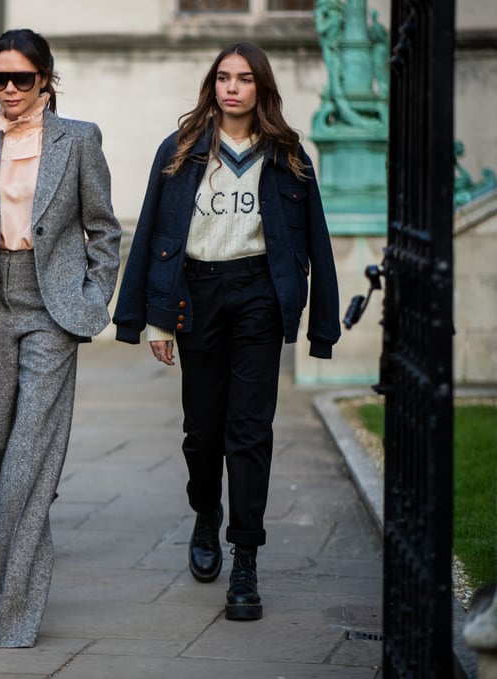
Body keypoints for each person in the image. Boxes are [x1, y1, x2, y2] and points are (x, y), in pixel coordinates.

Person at [112, 42, 340, 621]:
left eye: (243, 79)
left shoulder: (288, 154)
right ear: (211, 85)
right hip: (197, 296)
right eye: (222, 78)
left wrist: (322, 327)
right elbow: (153, 235)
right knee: (202, 431)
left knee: (250, 430)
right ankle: (206, 513)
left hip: (259, 296)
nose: (231, 87)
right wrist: (151, 318)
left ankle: (246, 559)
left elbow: (316, 239)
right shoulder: (183, 149)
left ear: (261, 86)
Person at [0, 28, 121, 648]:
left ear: (46, 80)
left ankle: (16, 614)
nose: (9, 90)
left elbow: (104, 229)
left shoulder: (80, 139)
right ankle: (3, 561)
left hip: (52, 308)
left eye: (22, 79)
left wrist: (91, 301)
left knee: (28, 459)